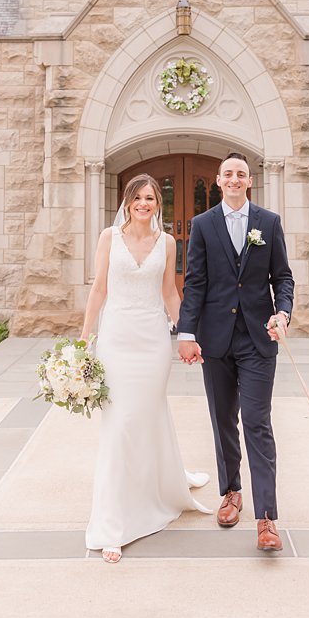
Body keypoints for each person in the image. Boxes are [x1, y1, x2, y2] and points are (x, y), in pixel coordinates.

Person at [82, 175, 211, 563]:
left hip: (154, 341)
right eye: (138, 197)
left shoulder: (168, 243)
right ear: (127, 201)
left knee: (148, 416)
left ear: (159, 203)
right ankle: (113, 522)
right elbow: (99, 289)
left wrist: (188, 335)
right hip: (117, 339)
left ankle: (159, 487)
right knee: (119, 424)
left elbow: (170, 292)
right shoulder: (109, 237)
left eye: (151, 198)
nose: (144, 203)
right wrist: (83, 339)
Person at [177, 152, 294, 551]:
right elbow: (195, 283)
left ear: (249, 181)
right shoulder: (203, 225)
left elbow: (283, 277)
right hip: (216, 338)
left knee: (257, 422)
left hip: (259, 339)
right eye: (227, 173)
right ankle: (231, 492)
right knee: (223, 420)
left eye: (240, 174)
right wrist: (186, 333)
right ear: (218, 180)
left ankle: (267, 518)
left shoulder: (269, 223)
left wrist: (283, 313)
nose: (234, 179)